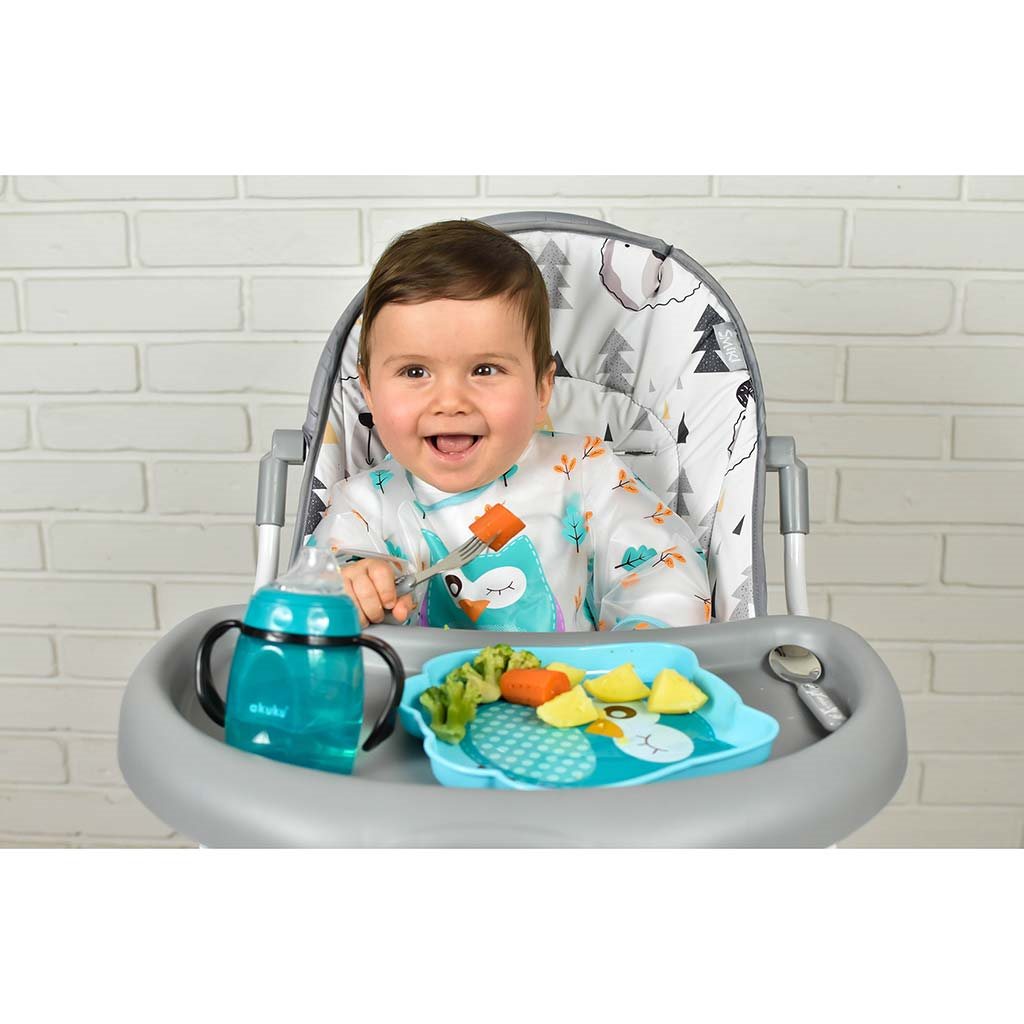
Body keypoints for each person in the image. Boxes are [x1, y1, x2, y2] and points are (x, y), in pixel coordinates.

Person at [309, 219, 712, 631]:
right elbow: (315, 589)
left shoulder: (585, 473)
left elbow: (663, 570)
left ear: (542, 388)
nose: (450, 402)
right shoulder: (365, 506)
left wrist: (642, 645)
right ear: (369, 391)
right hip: (414, 674)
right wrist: (353, 586)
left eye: (485, 370)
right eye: (415, 372)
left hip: (574, 673)